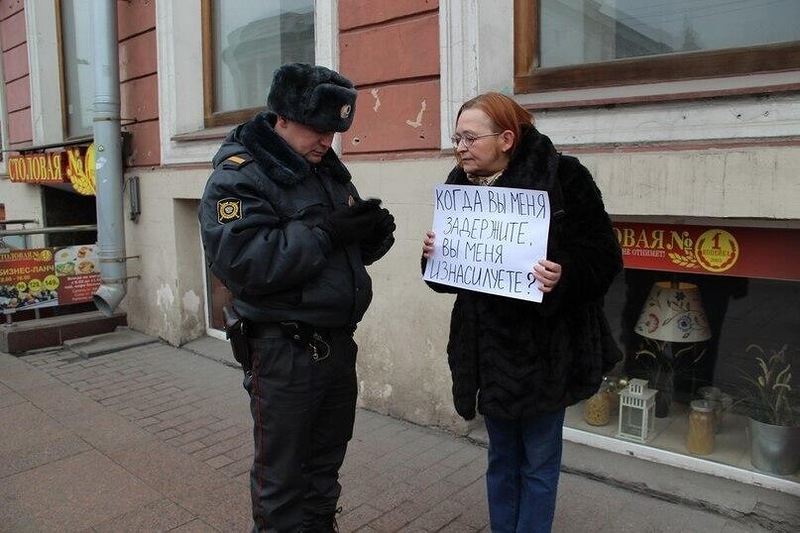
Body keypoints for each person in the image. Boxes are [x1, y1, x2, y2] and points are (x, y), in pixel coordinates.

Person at [199, 63, 395, 532]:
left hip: (335, 345)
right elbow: (244, 263)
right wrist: (328, 231)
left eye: (334, 130)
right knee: (283, 479)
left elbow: (340, 252)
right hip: (282, 350)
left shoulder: (323, 169)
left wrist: (372, 234)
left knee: (323, 469)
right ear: (283, 117)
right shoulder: (239, 176)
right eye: (318, 128)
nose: (327, 140)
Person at [421, 92, 622, 532]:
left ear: (507, 138)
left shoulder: (564, 177)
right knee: (500, 459)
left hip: (545, 351)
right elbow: (445, 280)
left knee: (538, 462)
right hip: (487, 353)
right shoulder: (460, 185)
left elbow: (604, 258)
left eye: (470, 137)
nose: (460, 147)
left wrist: (562, 275)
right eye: (457, 137)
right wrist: (435, 256)